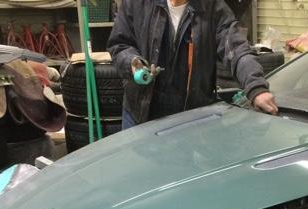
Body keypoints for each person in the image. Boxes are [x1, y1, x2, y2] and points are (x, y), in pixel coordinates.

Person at [107, 0, 279, 129]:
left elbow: (236, 49)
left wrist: (256, 87)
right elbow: (120, 44)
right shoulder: (137, 3)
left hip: (190, 116)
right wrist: (133, 62)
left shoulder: (212, 7)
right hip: (140, 112)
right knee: (139, 166)